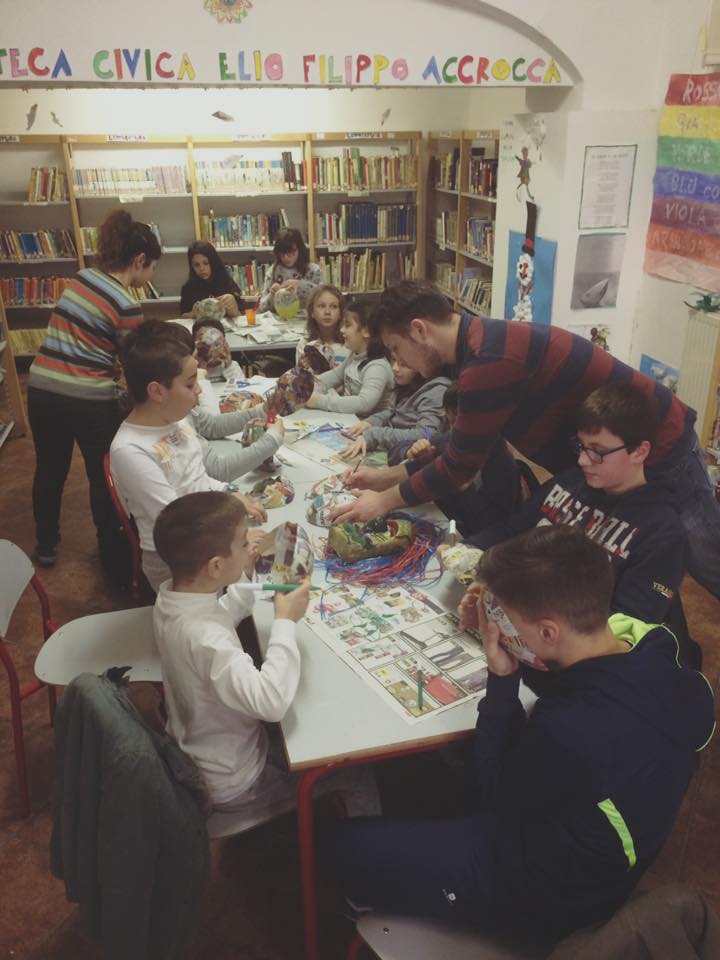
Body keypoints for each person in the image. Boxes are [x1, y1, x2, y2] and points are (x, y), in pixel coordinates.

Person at [323, 526, 715, 944]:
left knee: (344, 846)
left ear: (548, 632)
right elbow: (585, 682)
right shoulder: (655, 646)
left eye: (503, 620)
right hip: (607, 848)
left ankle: (382, 901)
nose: (498, 627)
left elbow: (496, 789)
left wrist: (503, 676)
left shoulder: (570, 728)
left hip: (554, 894)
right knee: (436, 801)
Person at [332, 280, 720, 601]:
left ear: (419, 330)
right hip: (607, 457)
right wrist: (388, 478)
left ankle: (660, 645)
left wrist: (384, 500)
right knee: (625, 559)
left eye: (397, 349)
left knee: (700, 556)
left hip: (659, 444)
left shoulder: (489, 362)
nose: (402, 362)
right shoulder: (477, 346)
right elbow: (464, 441)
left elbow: (459, 467)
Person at [152, 490, 381, 821]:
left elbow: (219, 614)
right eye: (244, 543)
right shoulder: (205, 638)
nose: (252, 547)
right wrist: (285, 621)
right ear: (216, 566)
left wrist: (245, 574)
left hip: (207, 748)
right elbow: (271, 703)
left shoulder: (174, 600)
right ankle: (360, 844)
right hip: (238, 782)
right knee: (358, 773)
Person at [469, 383, 687, 627]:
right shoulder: (569, 482)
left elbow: (627, 625)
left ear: (639, 452)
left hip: (573, 637)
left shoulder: (663, 533)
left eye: (597, 451)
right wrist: (467, 549)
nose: (583, 460)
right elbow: (511, 531)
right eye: (581, 446)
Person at [26, 208, 162, 574]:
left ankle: (46, 544)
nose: (151, 276)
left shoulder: (81, 277)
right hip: (89, 400)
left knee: (49, 469)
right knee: (103, 474)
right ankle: (111, 550)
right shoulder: (127, 304)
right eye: (152, 267)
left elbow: (82, 338)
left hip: (41, 388)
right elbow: (133, 364)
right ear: (139, 260)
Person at [109, 320, 265, 591]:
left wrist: (228, 492)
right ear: (157, 391)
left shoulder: (175, 418)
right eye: (191, 383)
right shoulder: (130, 450)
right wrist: (236, 541)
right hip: (180, 563)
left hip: (209, 534)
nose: (199, 389)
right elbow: (178, 526)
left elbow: (195, 478)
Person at [405, 384, 522, 535]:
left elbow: (493, 526)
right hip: (441, 520)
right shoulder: (450, 440)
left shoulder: (501, 466)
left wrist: (465, 491)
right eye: (450, 423)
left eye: (461, 425)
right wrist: (410, 452)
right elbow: (396, 451)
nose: (454, 432)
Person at [339, 358, 450, 465]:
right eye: (394, 360)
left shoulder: (437, 390)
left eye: (404, 364)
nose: (394, 368)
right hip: (394, 448)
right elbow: (392, 411)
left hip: (407, 456)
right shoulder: (407, 382)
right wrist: (371, 421)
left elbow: (427, 434)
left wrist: (376, 434)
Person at [305, 300, 394, 417]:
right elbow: (334, 376)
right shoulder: (355, 356)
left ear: (366, 331)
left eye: (347, 325)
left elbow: (364, 404)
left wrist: (318, 401)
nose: (342, 330)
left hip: (368, 425)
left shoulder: (377, 367)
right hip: (349, 420)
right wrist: (306, 383)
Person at [257, 227, 321, 315]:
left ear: (299, 249)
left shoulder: (313, 270)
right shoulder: (272, 272)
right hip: (280, 320)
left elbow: (324, 298)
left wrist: (300, 285)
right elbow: (262, 308)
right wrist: (272, 295)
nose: (286, 257)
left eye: (291, 252)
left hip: (307, 320)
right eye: (282, 253)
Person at [180, 240, 244, 319]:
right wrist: (193, 314)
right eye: (196, 265)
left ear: (213, 262)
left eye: (205, 263)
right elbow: (182, 316)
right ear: (191, 266)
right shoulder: (188, 288)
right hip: (201, 326)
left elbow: (242, 315)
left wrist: (234, 310)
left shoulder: (227, 281)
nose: (201, 268)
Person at [295, 284, 347, 370]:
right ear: (312, 312)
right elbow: (300, 376)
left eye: (334, 306)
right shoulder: (304, 344)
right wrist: (300, 368)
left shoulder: (348, 345)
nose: (327, 312)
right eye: (322, 306)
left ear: (340, 314)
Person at [191, 305, 244, 382]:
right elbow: (196, 388)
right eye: (203, 340)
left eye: (216, 343)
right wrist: (201, 366)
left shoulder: (232, 366)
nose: (210, 347)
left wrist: (228, 366)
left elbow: (239, 386)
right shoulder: (191, 369)